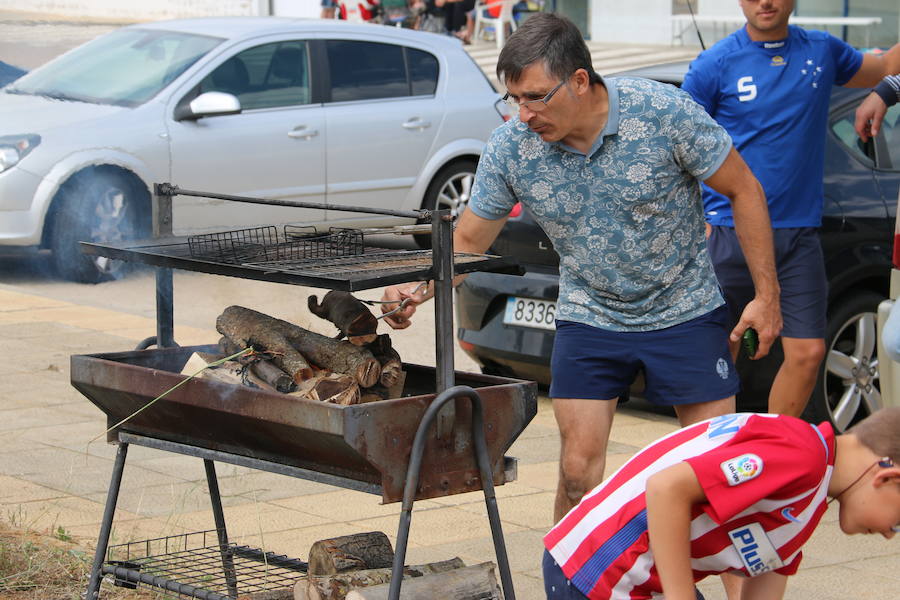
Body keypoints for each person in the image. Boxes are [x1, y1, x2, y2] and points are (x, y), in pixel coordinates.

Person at [380, 13, 782, 524]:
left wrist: (767, 297)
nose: (523, 114)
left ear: (580, 80)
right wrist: (415, 290)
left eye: (536, 97)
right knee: (576, 473)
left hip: (685, 308)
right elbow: (468, 242)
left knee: (712, 472)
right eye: (513, 98)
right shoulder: (512, 148)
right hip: (590, 313)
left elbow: (744, 188)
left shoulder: (663, 113)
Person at [681, 0, 900, 418]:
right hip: (729, 233)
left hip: (798, 235)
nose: (765, 2)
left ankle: (772, 453)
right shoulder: (714, 64)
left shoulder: (823, 50)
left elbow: (889, 62)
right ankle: (708, 461)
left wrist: (885, 92)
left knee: (808, 352)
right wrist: (693, 222)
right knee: (717, 355)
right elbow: (676, 147)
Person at [542, 407, 900, 599]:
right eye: (898, 523)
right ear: (887, 477)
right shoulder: (803, 455)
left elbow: (769, 574)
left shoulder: (813, 495)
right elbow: (667, 488)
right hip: (600, 566)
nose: (889, 535)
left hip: (634, 577)